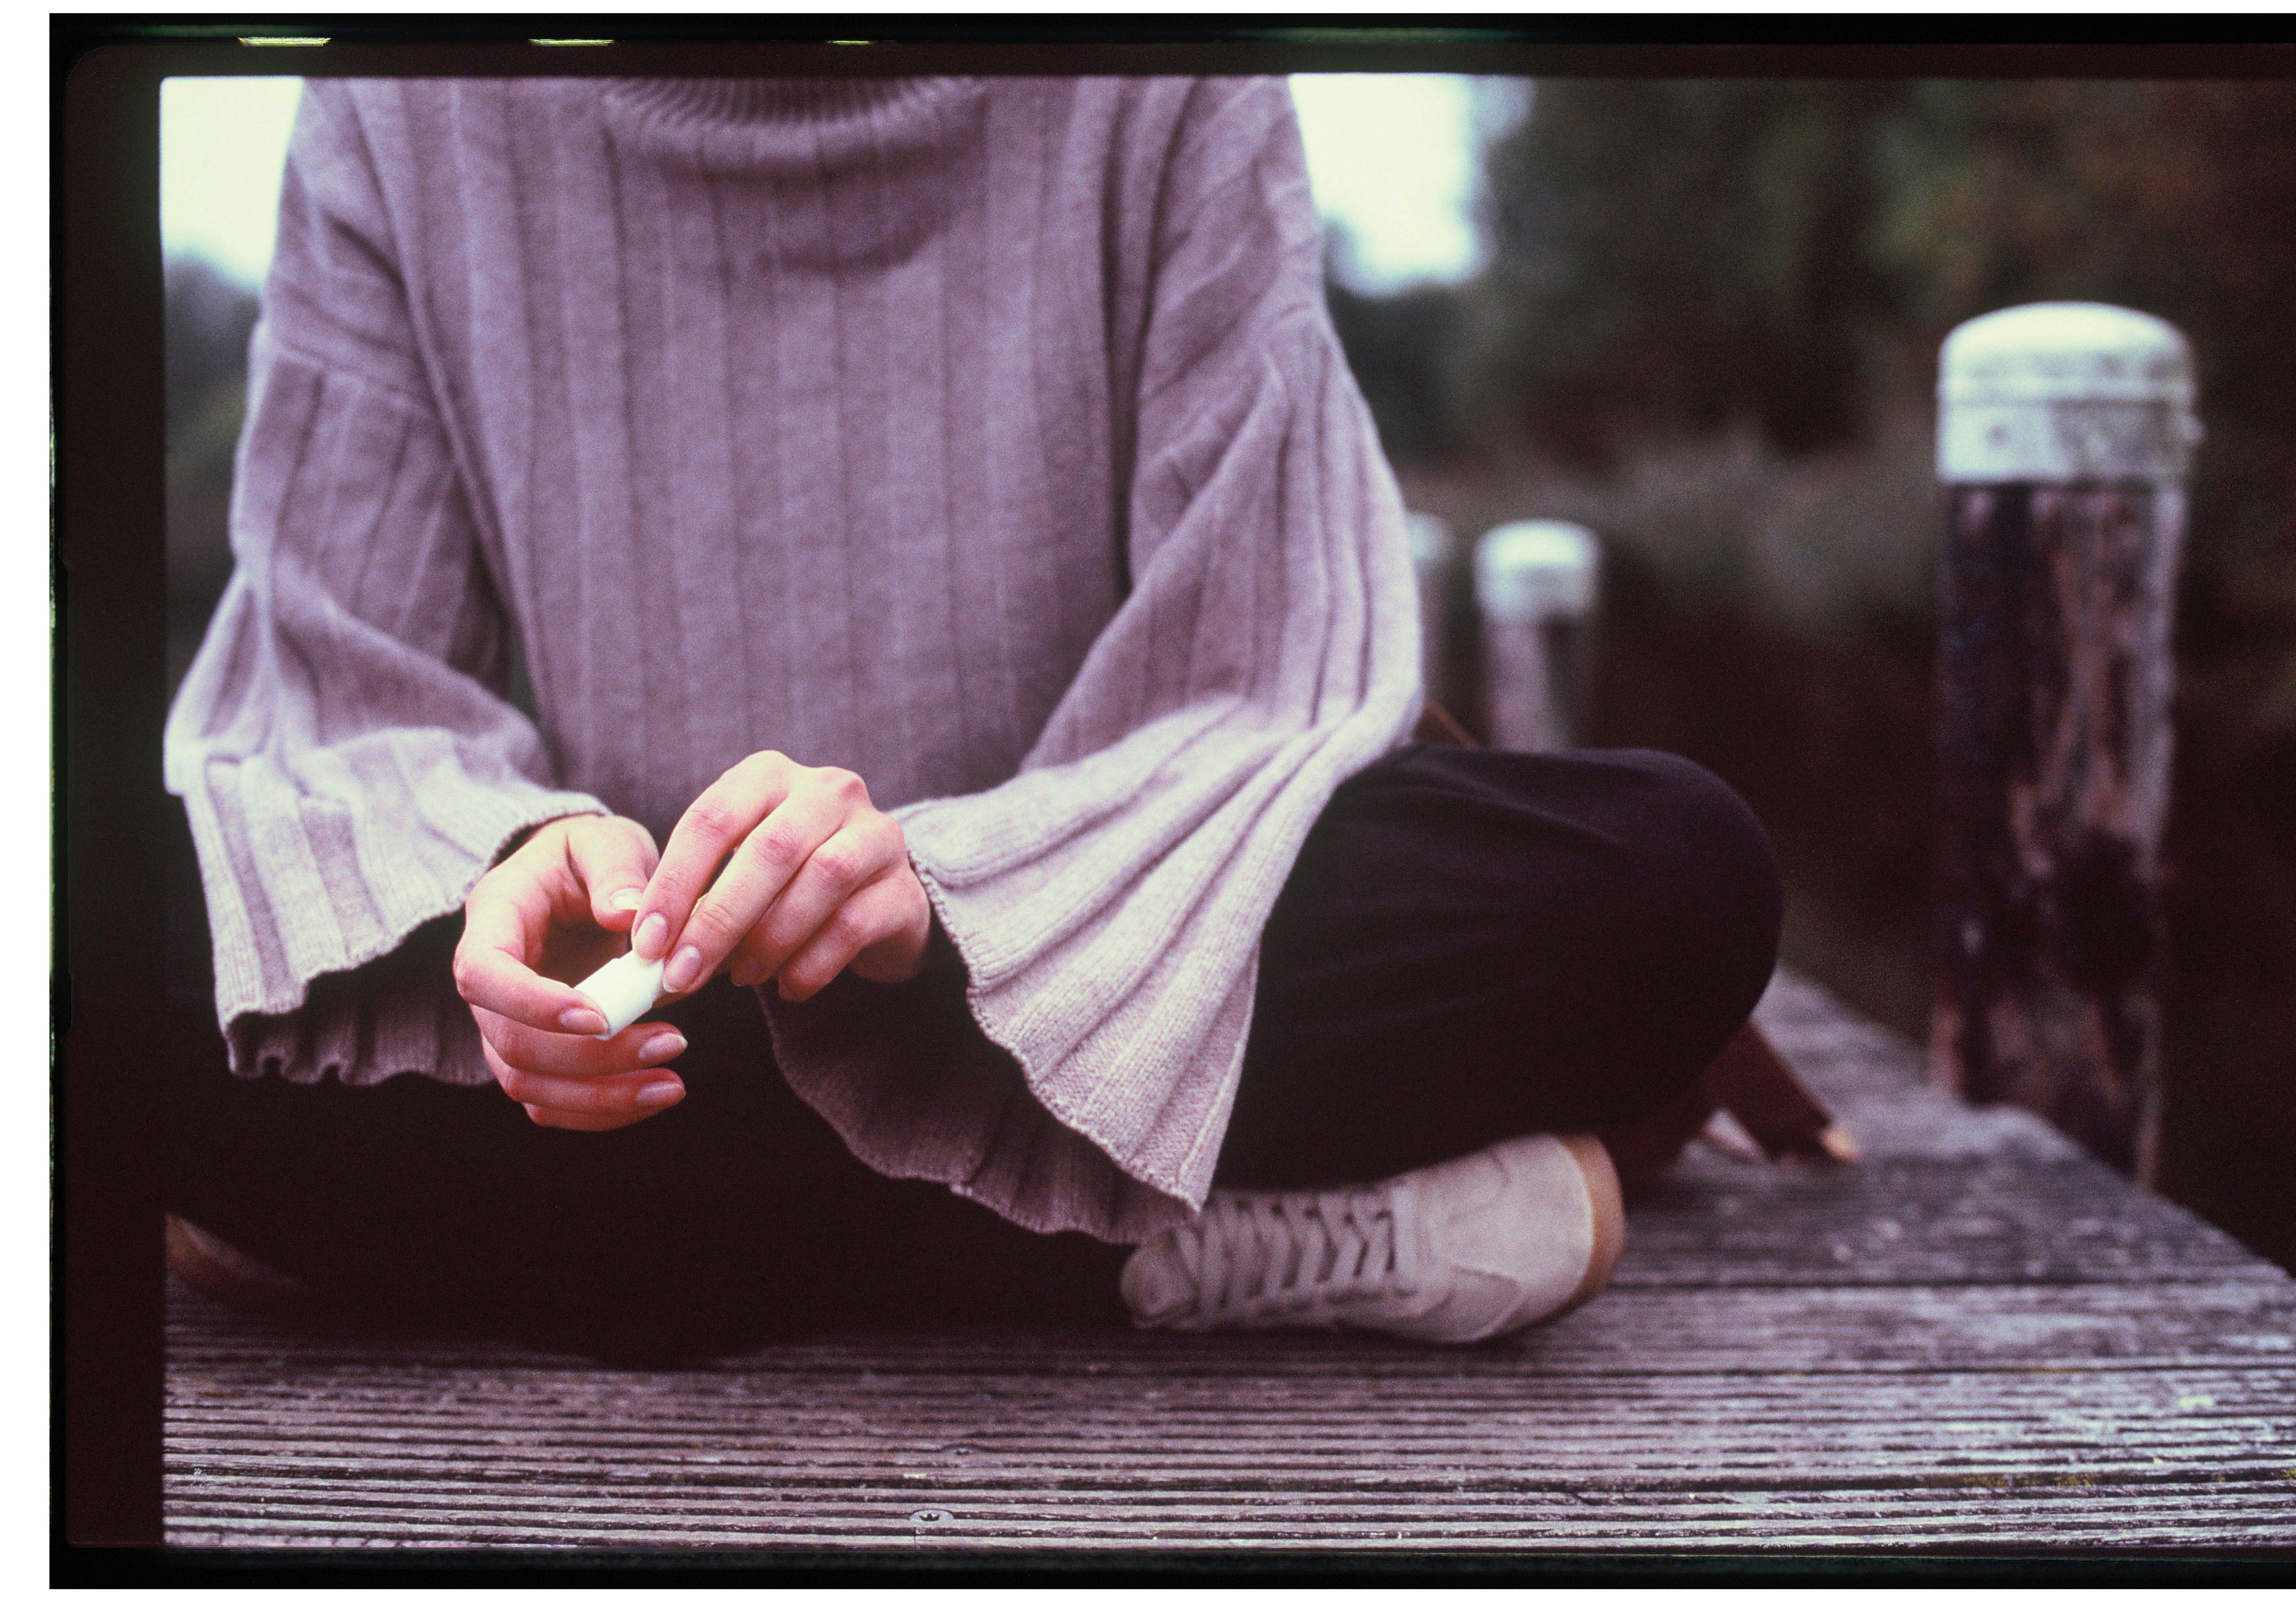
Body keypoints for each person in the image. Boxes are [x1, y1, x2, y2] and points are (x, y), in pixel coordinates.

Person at [159, 74, 1783, 1359]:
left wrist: (938, 897)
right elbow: (333, 683)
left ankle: (545, 1242)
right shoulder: (397, 97)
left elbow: (1263, 671)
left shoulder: (1170, 77)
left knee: (1665, 877)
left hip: (1094, 948)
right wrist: (507, 859)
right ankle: (1156, 1236)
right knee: (101, 944)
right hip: (642, 991)